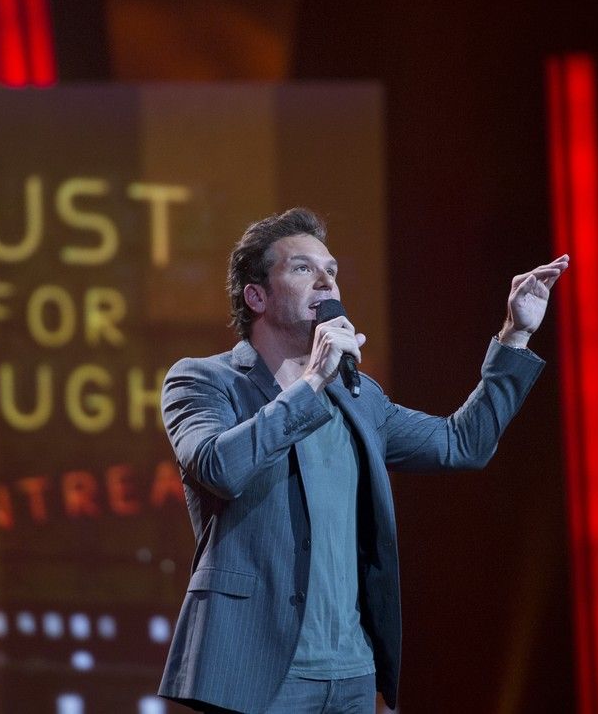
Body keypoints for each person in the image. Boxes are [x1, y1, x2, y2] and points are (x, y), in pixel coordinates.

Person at [158, 207, 569, 713]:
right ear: (256, 295)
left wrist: (516, 335)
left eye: (331, 269)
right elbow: (221, 468)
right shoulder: (203, 381)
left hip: (351, 674)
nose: (327, 280)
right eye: (303, 268)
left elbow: (462, 443)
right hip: (257, 671)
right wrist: (312, 382)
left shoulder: (358, 398)